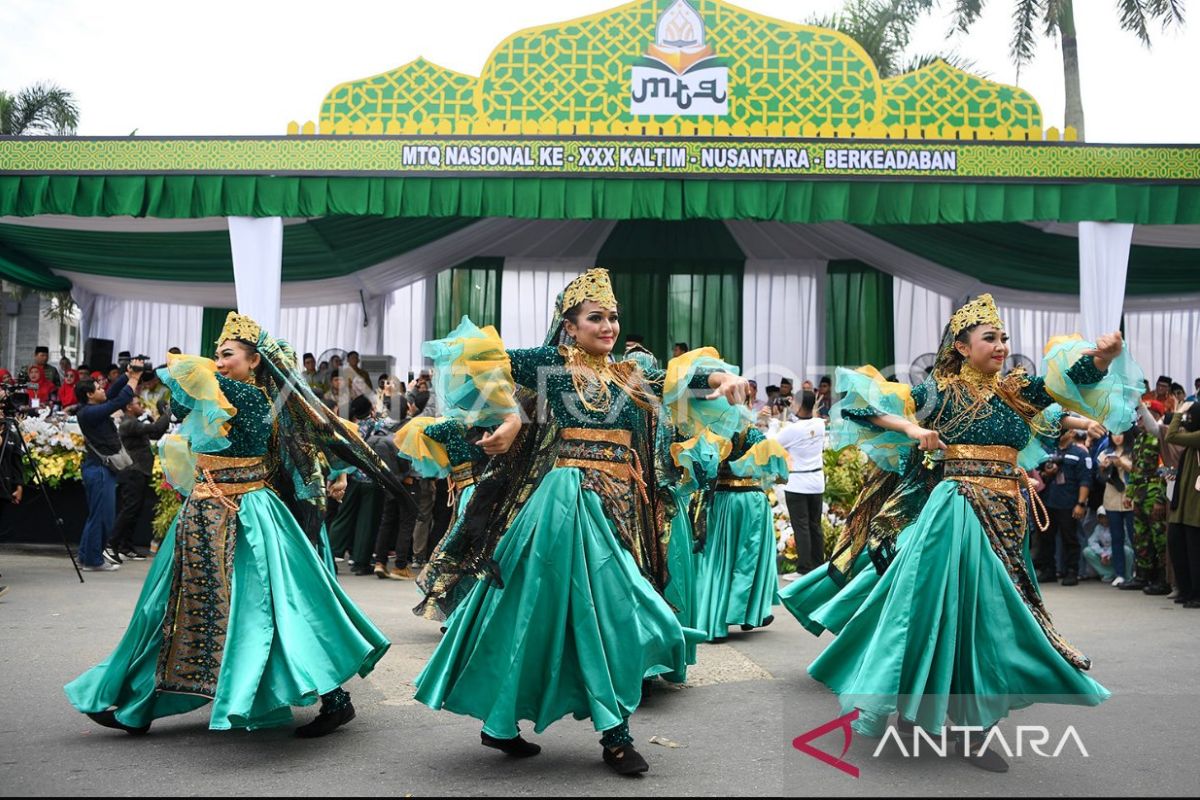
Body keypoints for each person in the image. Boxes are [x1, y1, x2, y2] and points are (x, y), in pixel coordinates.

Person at [779, 293, 1138, 772]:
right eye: (990, 338)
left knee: (986, 618)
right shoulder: (940, 393)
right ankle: (925, 709)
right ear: (962, 347)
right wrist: (912, 429)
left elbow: (1069, 379)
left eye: (1004, 337)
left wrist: (1102, 355)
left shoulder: (1017, 392)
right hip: (957, 510)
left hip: (1009, 514)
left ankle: (970, 726)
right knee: (939, 611)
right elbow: (862, 405)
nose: (1002, 345)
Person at [413, 269, 748, 775]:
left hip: (618, 505)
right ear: (569, 326)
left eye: (613, 317)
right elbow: (484, 368)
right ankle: (615, 737)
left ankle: (503, 723)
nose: (608, 326)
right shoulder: (551, 363)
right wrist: (507, 421)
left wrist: (720, 378)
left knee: (566, 616)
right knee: (569, 615)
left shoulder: (629, 374)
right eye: (596, 318)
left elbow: (679, 380)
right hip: (564, 504)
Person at [66, 312, 396, 738]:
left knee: (270, 612)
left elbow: (194, 388)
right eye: (216, 355)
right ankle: (137, 705)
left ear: (255, 360)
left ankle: (334, 698)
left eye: (228, 355)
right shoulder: (217, 391)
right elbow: (178, 401)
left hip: (251, 517)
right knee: (169, 609)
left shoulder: (259, 401)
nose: (218, 362)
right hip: (202, 513)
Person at [692, 418, 789, 641]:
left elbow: (700, 472)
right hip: (750, 501)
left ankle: (716, 620)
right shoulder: (753, 434)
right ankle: (746, 613)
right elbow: (781, 474)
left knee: (720, 561)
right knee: (748, 560)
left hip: (722, 500)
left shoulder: (710, 431)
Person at [75, 363, 142, 571]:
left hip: (100, 470)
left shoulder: (93, 409)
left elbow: (112, 394)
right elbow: (120, 400)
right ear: (89, 394)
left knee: (97, 515)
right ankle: (93, 561)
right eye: (98, 388)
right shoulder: (88, 413)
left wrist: (127, 374)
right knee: (102, 517)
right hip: (99, 471)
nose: (103, 389)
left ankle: (87, 556)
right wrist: (135, 379)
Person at [106, 393, 171, 563]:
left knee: (134, 510)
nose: (140, 405)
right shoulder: (129, 424)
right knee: (129, 510)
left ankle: (125, 547)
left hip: (139, 471)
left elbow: (155, 435)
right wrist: (168, 412)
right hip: (133, 472)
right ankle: (111, 544)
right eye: (137, 403)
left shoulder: (134, 423)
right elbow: (156, 429)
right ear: (129, 407)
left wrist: (163, 415)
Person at [1122, 400, 1171, 593]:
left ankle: (1163, 580)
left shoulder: (1160, 438)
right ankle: (1143, 576)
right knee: (1141, 536)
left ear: (1156, 416)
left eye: (1145, 413)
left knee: (1159, 537)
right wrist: (1130, 494)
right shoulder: (1140, 439)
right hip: (1140, 494)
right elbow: (1135, 470)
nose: (1140, 417)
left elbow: (1166, 470)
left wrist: (1160, 499)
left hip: (1154, 492)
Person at [777, 390, 826, 575]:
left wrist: (776, 425)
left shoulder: (791, 430)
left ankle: (805, 568)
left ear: (797, 404)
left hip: (797, 482)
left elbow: (772, 443)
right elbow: (807, 421)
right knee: (815, 525)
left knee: (801, 526)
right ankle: (818, 565)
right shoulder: (820, 425)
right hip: (816, 481)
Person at [1038, 429, 1093, 586]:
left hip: (1069, 503)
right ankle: (1049, 570)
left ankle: (1072, 571)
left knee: (1070, 538)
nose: (1060, 434)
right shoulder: (1048, 451)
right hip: (1048, 500)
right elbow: (1039, 474)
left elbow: (1085, 480)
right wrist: (1048, 472)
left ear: (1071, 433)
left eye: (1063, 431)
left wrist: (1081, 504)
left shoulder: (1079, 453)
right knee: (1046, 537)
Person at [1164, 401, 1200, 608]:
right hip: (1183, 505)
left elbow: (1171, 436)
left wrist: (1178, 413)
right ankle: (1187, 591)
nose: (1189, 420)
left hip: (1194, 509)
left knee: (1195, 554)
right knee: (1178, 547)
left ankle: (1195, 593)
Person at [1097, 428, 1136, 586]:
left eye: (1120, 433)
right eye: (1114, 434)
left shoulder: (1133, 451)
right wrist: (1103, 467)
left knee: (1135, 537)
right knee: (1116, 537)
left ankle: (1137, 571)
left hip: (1130, 497)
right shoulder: (1105, 452)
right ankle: (1119, 573)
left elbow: (1137, 470)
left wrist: (1121, 463)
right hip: (1111, 498)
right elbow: (1100, 477)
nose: (1117, 437)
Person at [1083, 508, 1134, 582]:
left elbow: (1121, 542)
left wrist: (1109, 553)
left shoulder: (1121, 526)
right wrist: (1102, 553)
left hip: (1118, 553)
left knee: (1127, 550)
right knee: (1087, 551)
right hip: (1105, 555)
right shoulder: (1098, 528)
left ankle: (1127, 576)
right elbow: (1092, 541)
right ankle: (1108, 573)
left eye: (1106, 517)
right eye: (1101, 518)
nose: (1104, 520)